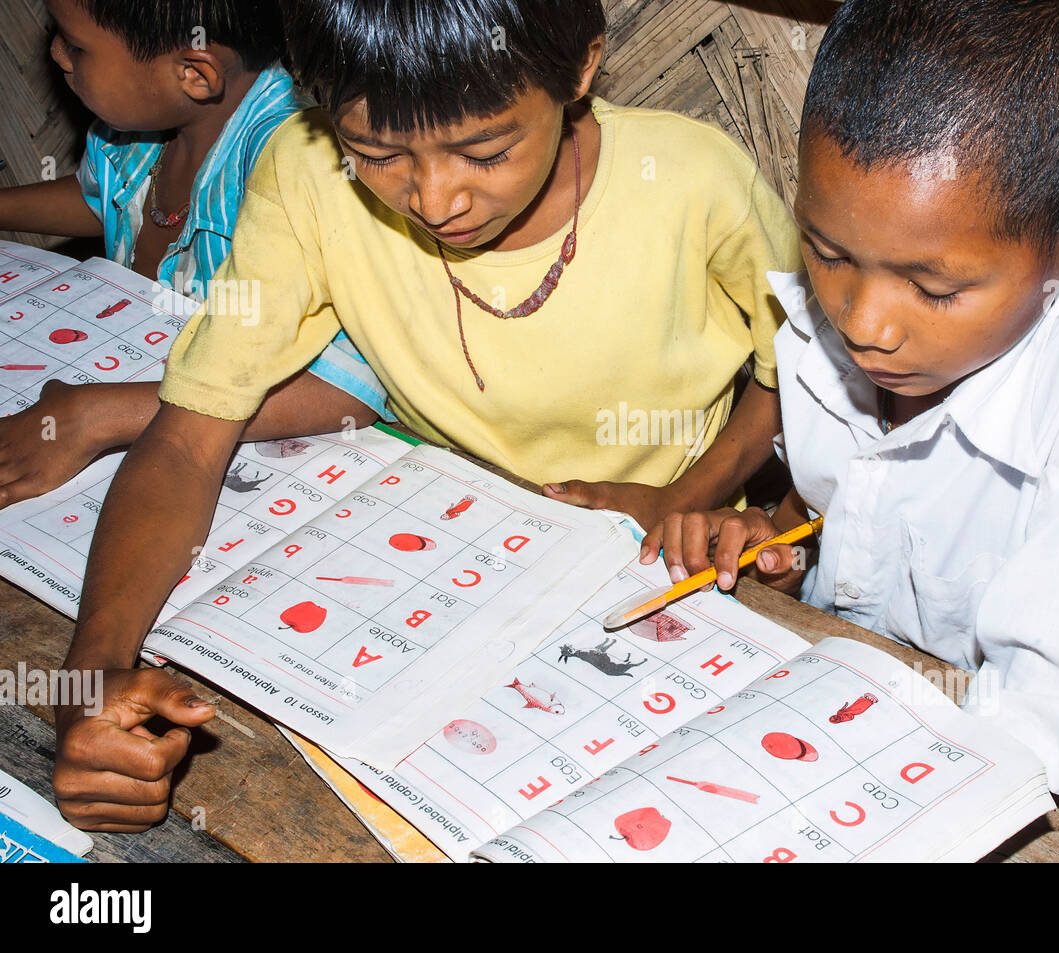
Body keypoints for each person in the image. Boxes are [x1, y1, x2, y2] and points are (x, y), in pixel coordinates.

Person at [52, 0, 800, 830]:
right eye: (375, 152)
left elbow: (795, 383)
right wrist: (88, 677)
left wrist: (688, 492)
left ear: (581, 70)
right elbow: (189, 438)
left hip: (682, 575)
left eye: (486, 150)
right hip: (447, 581)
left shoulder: (694, 179)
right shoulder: (307, 173)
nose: (437, 198)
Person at [645, 0, 1059, 806]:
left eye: (934, 287)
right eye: (828, 252)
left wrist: (837, 732)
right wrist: (776, 550)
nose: (863, 322)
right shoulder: (845, 307)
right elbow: (843, 514)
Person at [0, 0, 387, 508]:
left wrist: (95, 415)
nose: (56, 55)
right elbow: (111, 200)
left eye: (75, 45)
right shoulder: (134, 128)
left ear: (195, 74)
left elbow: (349, 387)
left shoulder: (296, 167)